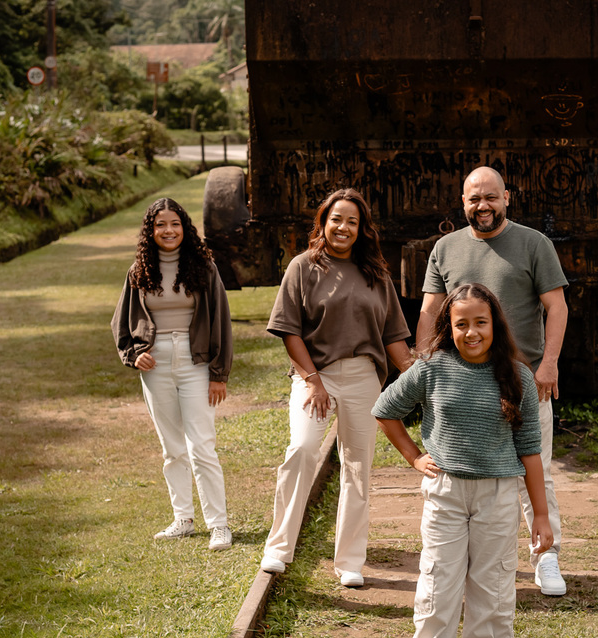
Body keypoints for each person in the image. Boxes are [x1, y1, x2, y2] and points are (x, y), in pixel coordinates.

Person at [375, 283, 553, 638]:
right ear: (447, 327)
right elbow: (385, 409)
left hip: (497, 496)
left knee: (492, 599)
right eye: (461, 324)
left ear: (494, 324)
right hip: (446, 494)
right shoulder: (432, 369)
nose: (471, 332)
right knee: (436, 597)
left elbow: (530, 450)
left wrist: (542, 516)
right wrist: (415, 456)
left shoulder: (517, 376)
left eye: (480, 323)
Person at [416, 166, 570, 596]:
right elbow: (429, 313)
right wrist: (425, 369)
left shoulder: (533, 243)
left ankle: (547, 557)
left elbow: (556, 308)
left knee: (534, 470)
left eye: (490, 197)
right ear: (462, 203)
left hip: (522, 380)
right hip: (462, 384)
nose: (482, 206)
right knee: (468, 473)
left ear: (507, 197)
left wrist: (549, 364)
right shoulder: (445, 248)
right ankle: (462, 563)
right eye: (473, 199)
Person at [260, 188, 413, 587]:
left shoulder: (376, 274)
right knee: (303, 450)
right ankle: (278, 548)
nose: (343, 227)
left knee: (358, 467)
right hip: (315, 376)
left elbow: (394, 337)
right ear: (323, 223)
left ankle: (350, 562)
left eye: (352, 222)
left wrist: (420, 377)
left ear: (361, 230)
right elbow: (289, 331)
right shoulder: (302, 267)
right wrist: (313, 381)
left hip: (364, 377)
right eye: (336, 219)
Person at [111, 197, 234, 551]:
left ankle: (219, 525)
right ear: (151, 230)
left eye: (175, 224)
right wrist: (135, 354)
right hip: (156, 362)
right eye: (161, 225)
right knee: (172, 447)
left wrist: (218, 373)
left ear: (185, 227)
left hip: (196, 361)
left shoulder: (204, 267)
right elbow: (122, 322)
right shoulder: (139, 270)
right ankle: (183, 519)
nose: (168, 231)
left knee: (202, 445)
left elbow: (221, 321)